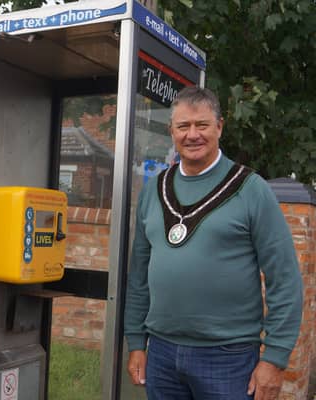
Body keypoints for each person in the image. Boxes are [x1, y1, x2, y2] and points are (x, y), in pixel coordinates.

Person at [124, 86, 302, 400]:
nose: (192, 135)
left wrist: (274, 358)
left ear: (219, 127)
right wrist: (137, 342)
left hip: (228, 358)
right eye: (183, 126)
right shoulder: (153, 190)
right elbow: (138, 275)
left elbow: (284, 279)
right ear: (172, 131)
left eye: (202, 125)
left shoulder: (250, 188)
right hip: (161, 354)